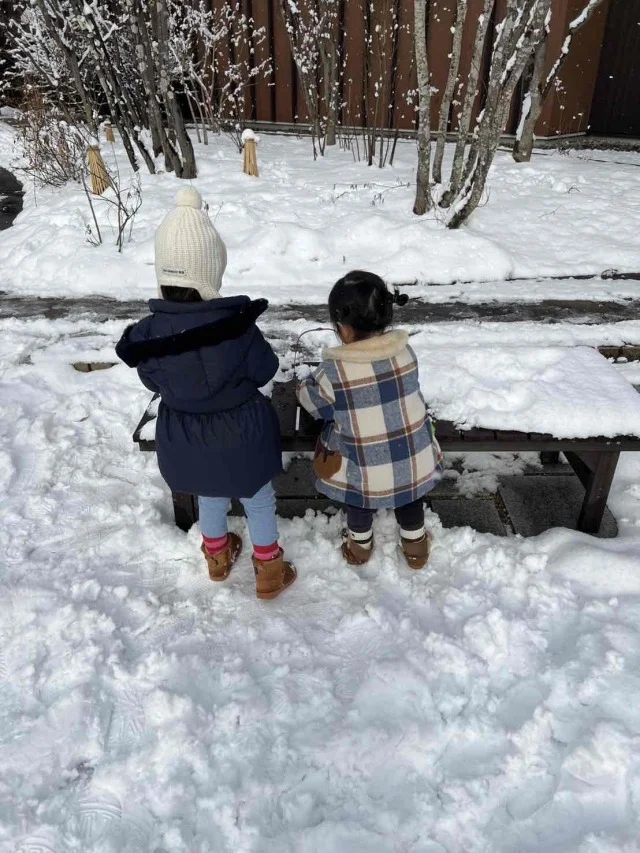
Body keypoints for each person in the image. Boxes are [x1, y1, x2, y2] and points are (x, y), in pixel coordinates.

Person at [116, 187, 296, 600]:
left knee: (210, 493)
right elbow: (266, 369)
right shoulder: (237, 326)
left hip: (186, 436)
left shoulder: (147, 335)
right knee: (258, 498)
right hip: (243, 433)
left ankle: (216, 559)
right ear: (211, 271)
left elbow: (152, 382)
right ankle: (269, 568)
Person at [297, 270, 442, 568]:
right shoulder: (406, 352)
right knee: (409, 495)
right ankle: (416, 546)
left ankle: (360, 546)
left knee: (358, 495)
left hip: (364, 472)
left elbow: (315, 406)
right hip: (412, 462)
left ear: (344, 328)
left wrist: (306, 384)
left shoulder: (334, 372)